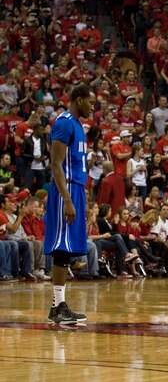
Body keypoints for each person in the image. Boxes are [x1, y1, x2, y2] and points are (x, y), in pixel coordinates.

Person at [44, 83, 96, 325]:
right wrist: (66, 199)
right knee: (61, 249)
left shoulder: (78, 125)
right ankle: (59, 306)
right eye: (90, 102)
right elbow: (55, 164)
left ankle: (58, 308)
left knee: (68, 250)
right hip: (65, 190)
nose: (92, 107)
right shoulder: (64, 122)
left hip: (76, 189)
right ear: (78, 99)